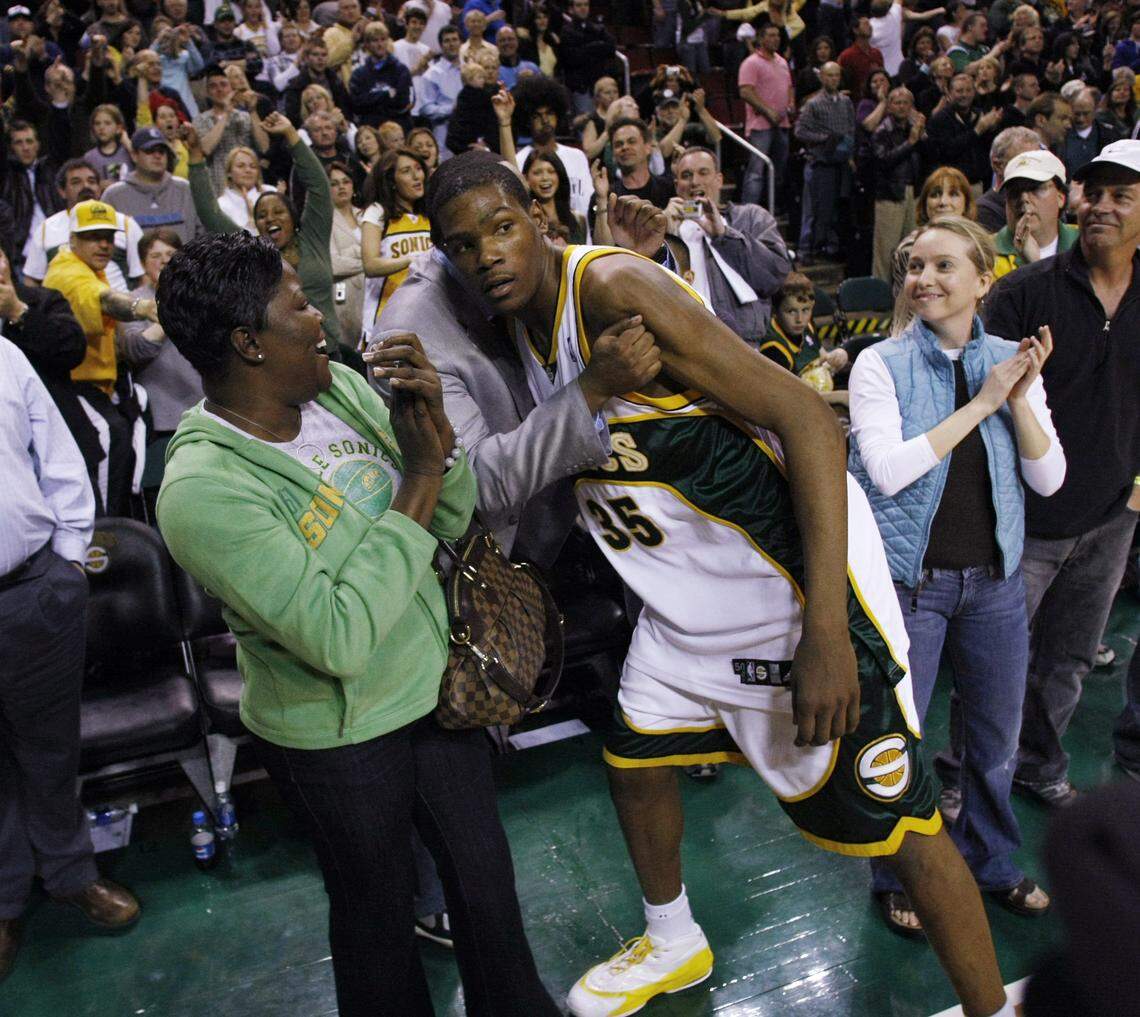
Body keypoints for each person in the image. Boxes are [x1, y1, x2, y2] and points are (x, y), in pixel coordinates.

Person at [427, 150, 1017, 1017]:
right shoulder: (520, 312)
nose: (487, 256)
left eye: (502, 228)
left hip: (785, 594)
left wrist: (824, 634)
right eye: (464, 245)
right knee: (633, 761)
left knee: (905, 823)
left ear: (539, 219)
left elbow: (810, 421)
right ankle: (674, 940)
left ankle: (990, 1007)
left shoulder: (611, 294)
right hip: (682, 606)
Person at [153, 229, 559, 1017]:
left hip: (438, 690)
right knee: (375, 919)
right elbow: (337, 635)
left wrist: (435, 436)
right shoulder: (202, 489)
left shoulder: (334, 387)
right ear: (248, 342)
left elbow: (454, 508)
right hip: (337, 738)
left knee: (486, 885)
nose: (319, 319)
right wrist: (412, 474)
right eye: (298, 303)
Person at [849, 213, 1064, 937]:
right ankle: (896, 873)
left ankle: (994, 860)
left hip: (995, 584)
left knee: (995, 740)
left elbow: (1049, 478)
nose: (924, 279)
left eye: (944, 266)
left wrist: (1020, 398)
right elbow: (887, 469)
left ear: (984, 278)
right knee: (898, 743)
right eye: (915, 265)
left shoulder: (1011, 358)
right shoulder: (880, 364)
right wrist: (981, 403)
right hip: (912, 587)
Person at [982, 140, 1140, 808]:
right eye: (1093, 192)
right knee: (991, 660)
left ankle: (1040, 765)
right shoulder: (1022, 293)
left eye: (1120, 195)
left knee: (1070, 658)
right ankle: (972, 777)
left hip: (1111, 514)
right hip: (1026, 517)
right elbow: (983, 405)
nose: (1100, 206)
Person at [0, 335, 140, 986]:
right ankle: (4, 900)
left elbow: (57, 452)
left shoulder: (3, 355)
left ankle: (70, 875)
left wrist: (70, 558)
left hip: (33, 588)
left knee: (51, 748)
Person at [184, 112, 351, 359]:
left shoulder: (312, 238)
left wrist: (291, 135)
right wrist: (196, 156)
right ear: (257, 224)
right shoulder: (254, 252)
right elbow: (210, 213)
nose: (270, 218)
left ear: (293, 218)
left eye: (278, 211)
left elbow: (318, 186)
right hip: (283, 362)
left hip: (331, 352)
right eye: (262, 215)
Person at [43, 199, 160, 515]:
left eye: (108, 236)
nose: (104, 244)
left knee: (130, 427)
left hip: (101, 386)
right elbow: (101, 300)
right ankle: (103, 538)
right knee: (110, 435)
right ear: (73, 240)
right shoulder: (67, 271)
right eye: (93, 236)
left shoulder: (96, 270)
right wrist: (143, 307)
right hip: (72, 386)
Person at [665, 146, 791, 342]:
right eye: (686, 175)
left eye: (703, 172)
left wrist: (723, 235)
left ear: (719, 180)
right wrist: (663, 232)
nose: (695, 181)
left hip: (743, 343)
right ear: (676, 185)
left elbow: (774, 276)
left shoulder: (751, 217)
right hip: (686, 342)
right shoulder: (666, 227)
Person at [116, 228, 201, 439]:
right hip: (158, 418)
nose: (164, 261)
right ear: (143, 264)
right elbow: (135, 349)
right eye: (155, 256)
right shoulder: (131, 302)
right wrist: (169, 305)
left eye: (171, 255)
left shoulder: (203, 296)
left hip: (204, 408)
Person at [24, 159, 143, 294]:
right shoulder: (46, 229)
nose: (86, 186)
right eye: (76, 182)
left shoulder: (125, 224)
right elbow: (32, 281)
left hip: (120, 309)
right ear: (62, 191)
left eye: (92, 181)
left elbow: (142, 277)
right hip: (64, 310)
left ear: (99, 188)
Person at [360, 148, 433, 345]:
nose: (416, 176)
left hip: (427, 314)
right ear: (391, 181)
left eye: (418, 168)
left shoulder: (430, 215)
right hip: (387, 317)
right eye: (406, 171)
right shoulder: (377, 212)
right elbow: (370, 265)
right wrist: (413, 259)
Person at [795, 61, 855, 265]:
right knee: (813, 209)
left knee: (836, 209)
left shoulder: (846, 102)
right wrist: (825, 138)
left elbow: (850, 129)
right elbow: (800, 131)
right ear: (821, 77)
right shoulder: (812, 104)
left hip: (841, 162)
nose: (833, 79)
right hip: (820, 162)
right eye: (829, 75)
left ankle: (831, 247)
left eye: (837, 75)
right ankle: (806, 250)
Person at [759, 271, 848, 404]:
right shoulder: (773, 347)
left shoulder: (806, 326)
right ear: (775, 312)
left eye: (805, 310)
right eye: (791, 311)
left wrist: (838, 356)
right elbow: (792, 397)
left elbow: (821, 356)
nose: (800, 319)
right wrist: (839, 397)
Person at [513, 76, 594, 219]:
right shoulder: (519, 160)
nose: (545, 120)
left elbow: (587, 203)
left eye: (549, 113)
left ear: (558, 115)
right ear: (526, 121)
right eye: (537, 116)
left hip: (582, 238)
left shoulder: (578, 156)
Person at [104, 125, 203, 241]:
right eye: (150, 151)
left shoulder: (185, 190)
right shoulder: (114, 196)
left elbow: (202, 236)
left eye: (161, 151)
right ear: (134, 155)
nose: (157, 156)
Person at [992, 149, 1078, 279]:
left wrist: (1035, 265)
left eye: (1035, 188)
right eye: (1015, 191)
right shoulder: (985, 251)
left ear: (1060, 198)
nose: (1024, 198)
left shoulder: (1084, 243)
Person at [892, 166, 977, 297]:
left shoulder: (978, 245)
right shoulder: (909, 248)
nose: (943, 202)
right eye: (935, 195)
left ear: (966, 204)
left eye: (953, 194)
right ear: (925, 204)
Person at [737, 23, 793, 211]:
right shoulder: (751, 63)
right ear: (760, 39)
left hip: (782, 122)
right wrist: (768, 110)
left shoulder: (782, 62)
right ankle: (748, 214)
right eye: (770, 35)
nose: (775, 39)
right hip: (760, 125)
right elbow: (745, 91)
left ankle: (770, 210)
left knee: (778, 172)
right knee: (756, 172)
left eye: (777, 35)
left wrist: (791, 104)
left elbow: (789, 87)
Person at [871, 87, 925, 282]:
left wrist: (922, 135)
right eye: (897, 103)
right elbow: (883, 161)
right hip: (890, 193)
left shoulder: (916, 129)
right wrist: (909, 143)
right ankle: (879, 293)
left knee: (913, 247)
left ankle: (905, 293)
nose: (902, 107)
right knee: (886, 249)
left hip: (914, 191)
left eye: (906, 103)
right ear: (889, 107)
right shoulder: (882, 131)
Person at [192, 65, 269, 196]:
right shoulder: (200, 120)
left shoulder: (245, 116)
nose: (219, 89)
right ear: (207, 93)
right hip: (218, 186)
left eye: (223, 84)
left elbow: (264, 146)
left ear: (231, 89)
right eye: (213, 86)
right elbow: (205, 148)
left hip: (248, 184)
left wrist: (252, 111)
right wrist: (226, 114)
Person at [923, 72, 1003, 189]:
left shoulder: (980, 114)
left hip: (981, 184)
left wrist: (992, 128)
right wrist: (977, 130)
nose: (964, 95)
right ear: (949, 93)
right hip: (952, 185)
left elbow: (989, 149)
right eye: (959, 91)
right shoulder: (939, 119)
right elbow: (947, 151)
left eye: (968, 90)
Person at [976, 126, 1045, 233]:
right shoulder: (983, 211)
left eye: (1038, 160)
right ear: (998, 165)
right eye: (1024, 162)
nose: (1034, 168)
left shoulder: (1048, 200)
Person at [327, 162, 365, 349]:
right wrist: (369, 261)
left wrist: (350, 254)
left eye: (345, 181)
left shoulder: (367, 215)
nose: (341, 186)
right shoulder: (325, 221)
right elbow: (333, 264)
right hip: (343, 297)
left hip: (372, 293)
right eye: (334, 183)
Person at [349, 21, 413, 131]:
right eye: (375, 40)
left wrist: (372, 98)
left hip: (399, 128)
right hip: (372, 130)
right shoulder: (358, 75)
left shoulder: (401, 70)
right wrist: (386, 94)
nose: (380, 44)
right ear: (367, 44)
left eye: (383, 39)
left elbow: (403, 102)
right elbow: (357, 105)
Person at [559, 0, 616, 116]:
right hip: (581, 87)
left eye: (586, 5)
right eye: (579, 5)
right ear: (571, 9)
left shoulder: (597, 27)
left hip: (599, 85)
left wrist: (587, 47)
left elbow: (611, 48)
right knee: (586, 122)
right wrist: (596, 47)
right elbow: (572, 58)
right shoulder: (566, 31)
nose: (583, 8)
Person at [418, 25, 462, 156]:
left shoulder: (470, 70)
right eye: (447, 41)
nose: (451, 44)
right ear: (441, 45)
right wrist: (452, 109)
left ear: (460, 42)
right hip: (444, 137)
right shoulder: (431, 74)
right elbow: (426, 108)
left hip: (469, 136)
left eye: (454, 39)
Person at [1062, 88, 1121, 181]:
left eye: (1086, 113)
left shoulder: (1109, 135)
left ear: (1095, 110)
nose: (1081, 119)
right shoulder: (1060, 134)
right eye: (1077, 114)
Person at [529, 150, 587, 245]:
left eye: (551, 171)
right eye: (537, 173)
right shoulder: (527, 222)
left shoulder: (579, 220)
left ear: (559, 175)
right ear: (526, 179)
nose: (545, 178)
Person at [217, 145, 276, 233]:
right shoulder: (221, 205)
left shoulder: (271, 192)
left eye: (253, 166)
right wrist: (251, 222)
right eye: (241, 166)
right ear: (229, 172)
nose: (248, 170)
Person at [84, 104, 133, 186]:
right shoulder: (90, 157)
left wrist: (128, 143)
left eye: (107, 123)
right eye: (97, 123)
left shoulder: (128, 151)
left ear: (118, 128)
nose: (101, 127)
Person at [837, 17, 884, 99]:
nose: (870, 27)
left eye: (870, 24)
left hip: (877, 98)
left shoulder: (876, 53)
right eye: (865, 24)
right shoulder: (847, 56)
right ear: (855, 30)